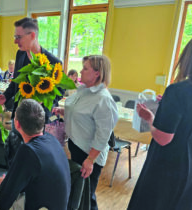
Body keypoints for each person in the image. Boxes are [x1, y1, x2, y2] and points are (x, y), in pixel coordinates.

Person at [128, 35, 192, 210]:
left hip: (169, 170)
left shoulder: (178, 91)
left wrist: (150, 118)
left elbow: (163, 138)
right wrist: (166, 106)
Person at [53, 55, 118, 210]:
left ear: (97, 73)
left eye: (85, 68)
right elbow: (80, 112)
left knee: (86, 196)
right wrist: (63, 111)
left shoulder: (104, 100)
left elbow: (103, 135)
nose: (80, 71)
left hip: (89, 154)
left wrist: (90, 160)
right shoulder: (84, 90)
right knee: (78, 192)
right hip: (76, 146)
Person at [0, 99, 70, 210]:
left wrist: (3, 185)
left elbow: (2, 200)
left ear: (17, 124)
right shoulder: (51, 139)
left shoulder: (28, 151)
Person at [0, 17, 64, 124]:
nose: (15, 41)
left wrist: (43, 100)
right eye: (15, 37)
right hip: (18, 116)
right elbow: (15, 81)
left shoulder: (54, 62)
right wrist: (5, 96)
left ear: (32, 35)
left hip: (39, 121)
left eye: (18, 37)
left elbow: (60, 91)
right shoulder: (20, 54)